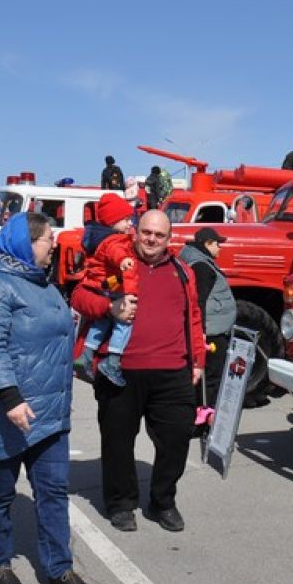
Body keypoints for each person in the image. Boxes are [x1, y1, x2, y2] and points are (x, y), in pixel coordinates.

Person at [0, 212, 91, 584]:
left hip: (50, 412)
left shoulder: (44, 284)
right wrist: (11, 398)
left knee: (53, 491)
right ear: (26, 242)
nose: (53, 244)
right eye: (47, 239)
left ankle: (59, 568)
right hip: (11, 412)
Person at [71, 209, 205, 533]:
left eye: (159, 235)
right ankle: (121, 504)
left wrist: (198, 361)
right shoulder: (114, 264)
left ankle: (163, 502)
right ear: (136, 231)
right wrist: (109, 307)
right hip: (120, 372)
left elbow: (195, 318)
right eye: (146, 232)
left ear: (168, 238)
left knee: (175, 440)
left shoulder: (183, 272)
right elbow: (78, 296)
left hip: (173, 372)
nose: (151, 240)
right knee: (117, 443)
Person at [75, 193, 139, 386]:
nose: (130, 224)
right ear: (113, 221)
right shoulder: (115, 240)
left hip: (103, 285)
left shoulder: (98, 238)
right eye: (126, 219)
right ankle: (112, 361)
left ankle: (86, 355)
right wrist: (124, 261)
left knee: (100, 322)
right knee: (124, 322)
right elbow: (116, 253)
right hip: (114, 286)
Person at [176, 227, 237, 410]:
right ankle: (207, 413)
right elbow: (199, 301)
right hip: (212, 333)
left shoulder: (195, 261)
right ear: (207, 244)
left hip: (211, 328)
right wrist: (201, 332)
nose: (220, 248)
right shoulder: (202, 266)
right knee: (211, 375)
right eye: (218, 244)